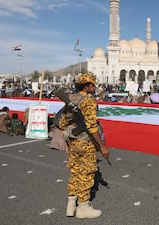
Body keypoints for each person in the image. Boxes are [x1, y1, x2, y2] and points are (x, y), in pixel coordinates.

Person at [58, 73, 110, 219]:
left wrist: (69, 137)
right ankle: (83, 207)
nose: (94, 87)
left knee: (75, 171)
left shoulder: (71, 99)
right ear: (86, 86)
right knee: (86, 173)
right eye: (92, 85)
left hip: (73, 142)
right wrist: (102, 146)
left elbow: (62, 123)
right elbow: (92, 127)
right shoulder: (88, 101)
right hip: (86, 142)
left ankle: (71, 205)